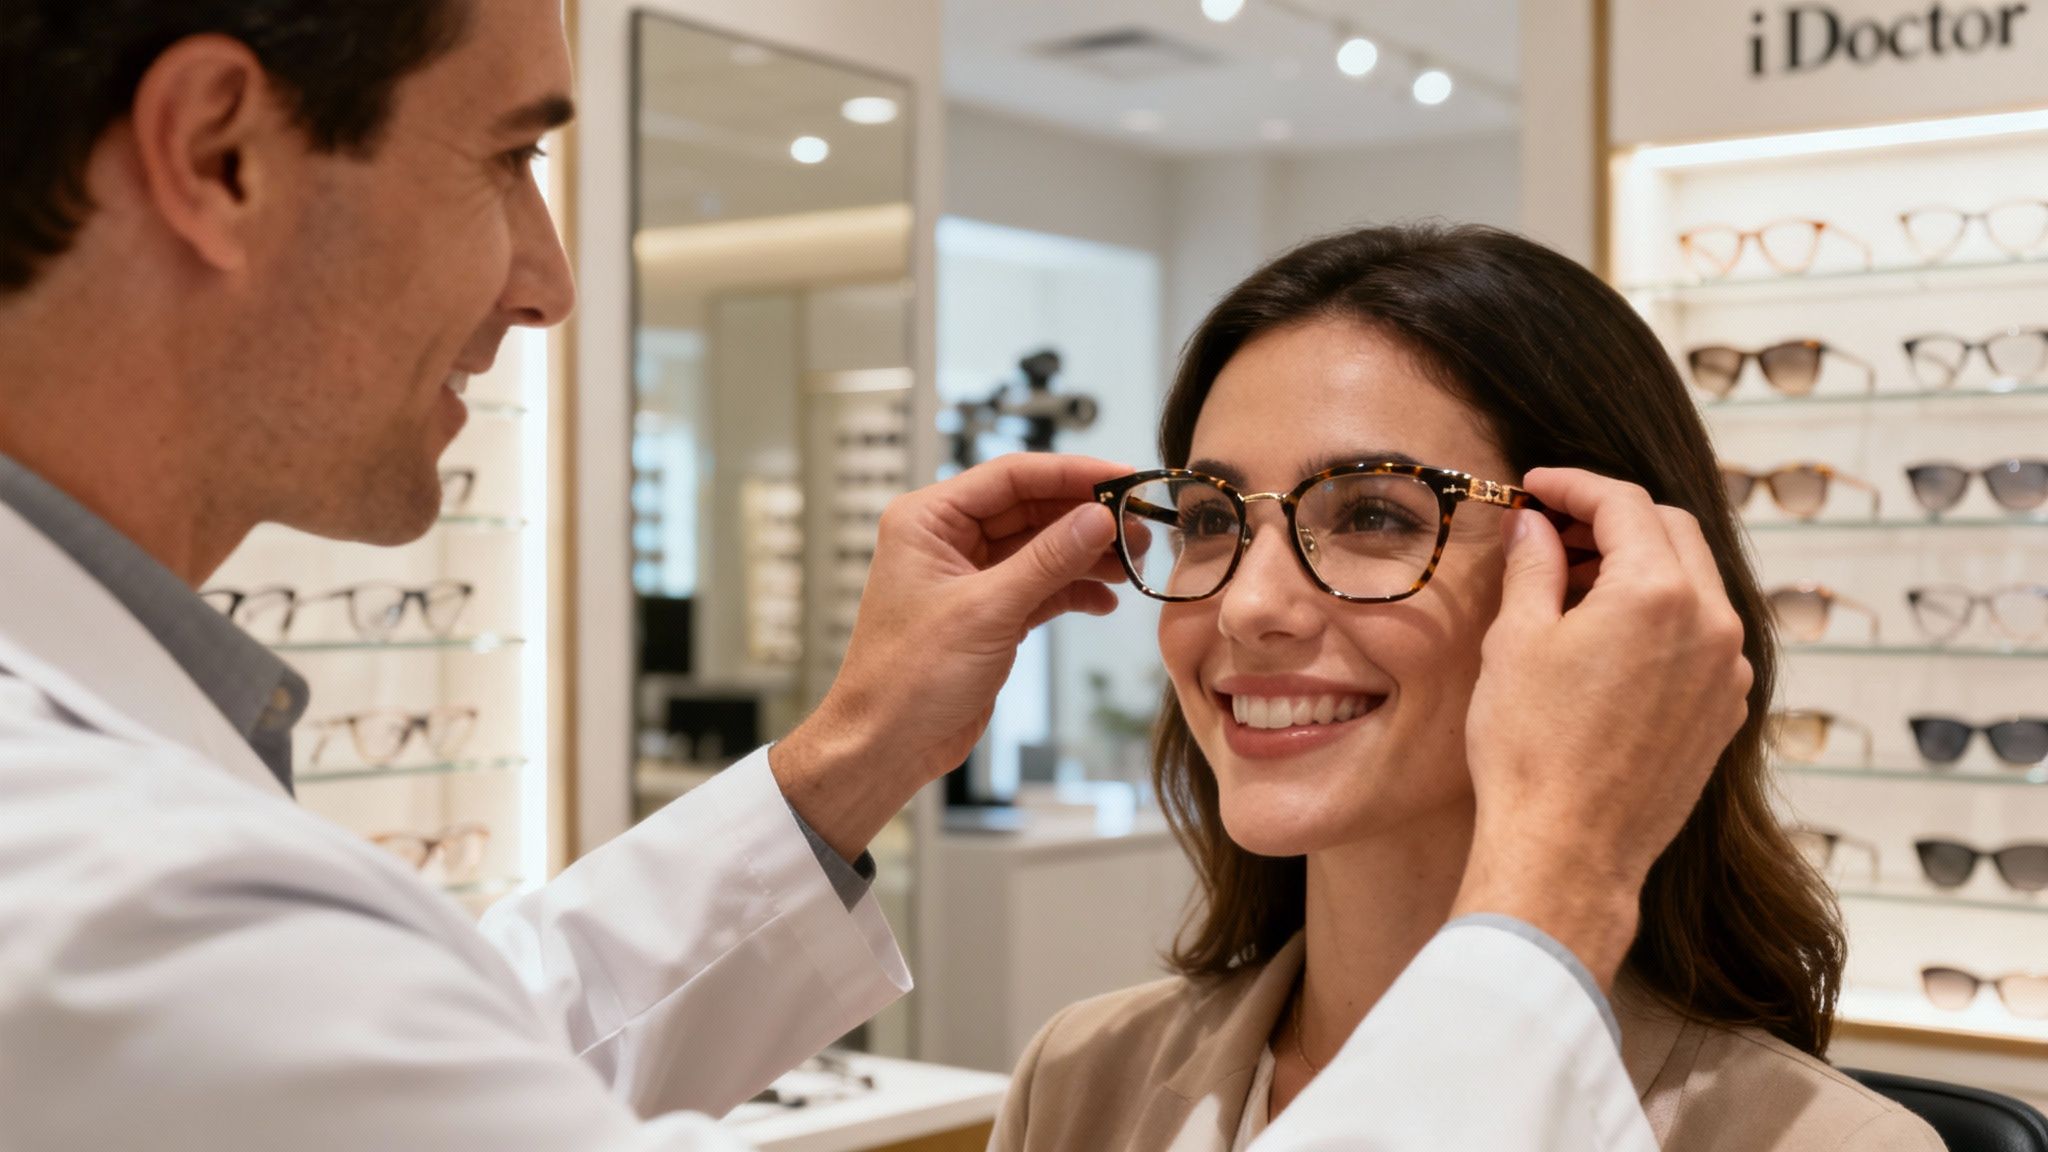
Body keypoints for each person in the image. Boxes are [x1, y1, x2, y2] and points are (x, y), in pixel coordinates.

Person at [0, 3, 1751, 1149]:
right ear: (219, 149)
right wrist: (1541, 901)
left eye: (1371, 511)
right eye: (511, 155)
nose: (548, 279)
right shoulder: (104, 895)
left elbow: (450, 1044)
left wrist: (844, 760)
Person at [991, 225, 1945, 1151]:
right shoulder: (1078, 1077)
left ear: (1598, 578)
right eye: (1208, 517)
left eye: (1371, 512)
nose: (1247, 605)